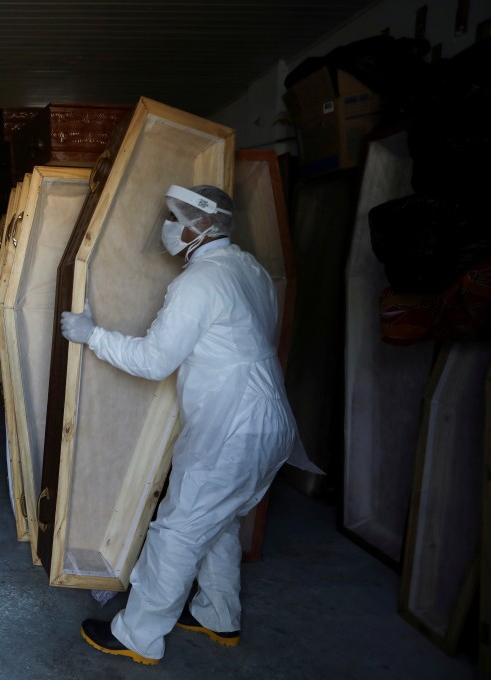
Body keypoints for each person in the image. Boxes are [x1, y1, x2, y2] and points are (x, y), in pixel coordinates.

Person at [60, 184, 321, 666]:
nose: (169, 226)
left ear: (203, 225)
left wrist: (90, 334)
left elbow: (155, 361)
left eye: (178, 216)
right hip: (270, 421)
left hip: (232, 429)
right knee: (220, 522)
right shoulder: (252, 270)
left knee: (178, 531)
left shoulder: (198, 282)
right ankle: (218, 614)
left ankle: (139, 635)